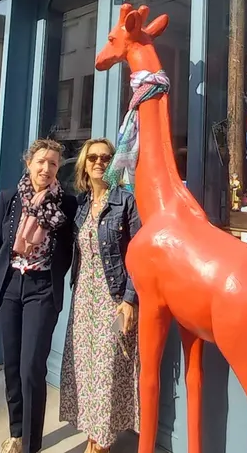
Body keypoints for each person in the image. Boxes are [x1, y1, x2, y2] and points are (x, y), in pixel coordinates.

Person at [0, 138, 79, 453]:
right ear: (29, 163)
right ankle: (16, 433)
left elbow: (68, 249)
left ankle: (30, 445)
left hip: (41, 288)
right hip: (10, 285)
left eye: (53, 163)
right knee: (12, 365)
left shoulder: (67, 204)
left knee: (31, 367)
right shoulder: (9, 198)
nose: (46, 168)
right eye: (41, 161)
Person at [59, 138, 142, 453]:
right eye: (92, 157)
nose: (99, 162)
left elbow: (137, 253)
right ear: (84, 163)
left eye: (106, 158)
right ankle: (93, 434)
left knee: (108, 371)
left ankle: (102, 442)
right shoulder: (80, 204)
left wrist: (130, 299)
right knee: (85, 368)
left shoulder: (125, 202)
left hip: (113, 296)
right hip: (83, 298)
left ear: (113, 163)